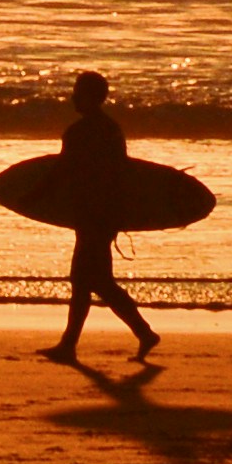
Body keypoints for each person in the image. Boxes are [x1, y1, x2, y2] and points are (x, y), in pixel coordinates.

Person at [45, 69, 158, 362]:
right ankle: (75, 344)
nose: (72, 97)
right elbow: (122, 174)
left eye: (77, 92)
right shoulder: (112, 129)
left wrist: (37, 196)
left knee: (88, 280)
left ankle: (73, 345)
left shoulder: (78, 132)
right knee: (94, 281)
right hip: (108, 213)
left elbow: (64, 174)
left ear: (90, 97)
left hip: (90, 214)